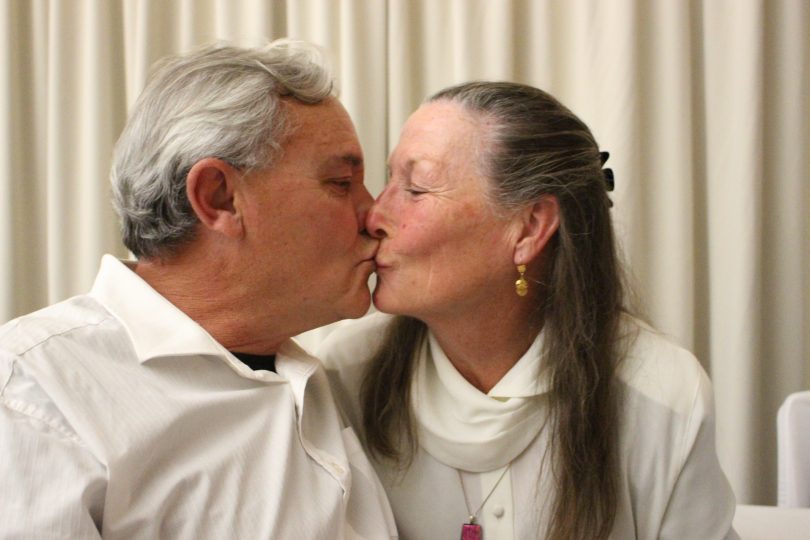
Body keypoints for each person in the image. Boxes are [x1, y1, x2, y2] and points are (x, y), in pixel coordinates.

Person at [0, 41, 396, 539]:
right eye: (341, 182)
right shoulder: (35, 394)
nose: (376, 214)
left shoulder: (333, 381)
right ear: (219, 197)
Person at [318, 81, 738, 540]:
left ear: (529, 227)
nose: (375, 215)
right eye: (391, 180)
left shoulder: (660, 395)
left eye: (416, 189)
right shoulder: (347, 375)